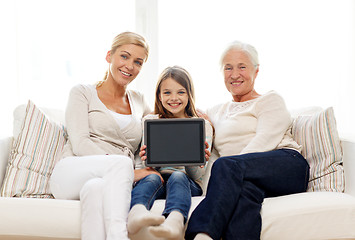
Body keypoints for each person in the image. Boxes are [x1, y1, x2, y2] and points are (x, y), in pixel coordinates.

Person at [185, 41, 310, 240]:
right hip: (246, 176)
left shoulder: (269, 100)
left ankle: (202, 234)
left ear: (256, 71)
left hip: (286, 166)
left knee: (227, 166)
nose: (234, 74)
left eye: (242, 67)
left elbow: (263, 141)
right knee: (245, 194)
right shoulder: (217, 111)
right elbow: (181, 114)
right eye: (228, 68)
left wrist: (229, 174)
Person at [49, 32, 151, 240]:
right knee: (121, 164)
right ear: (109, 56)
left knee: (95, 191)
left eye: (138, 62)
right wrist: (129, 170)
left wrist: (198, 115)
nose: (130, 66)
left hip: (103, 180)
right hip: (70, 171)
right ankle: (119, 236)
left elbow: (163, 120)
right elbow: (79, 143)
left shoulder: (139, 100)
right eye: (124, 56)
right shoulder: (82, 92)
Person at [127, 66, 213, 240]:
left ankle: (174, 221)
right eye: (167, 93)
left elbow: (197, 175)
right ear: (159, 95)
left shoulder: (202, 125)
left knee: (177, 177)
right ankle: (136, 213)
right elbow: (149, 168)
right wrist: (150, 160)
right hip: (157, 178)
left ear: (189, 95)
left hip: (186, 182)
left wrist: (194, 159)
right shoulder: (150, 121)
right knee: (151, 177)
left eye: (181, 92)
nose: (174, 98)